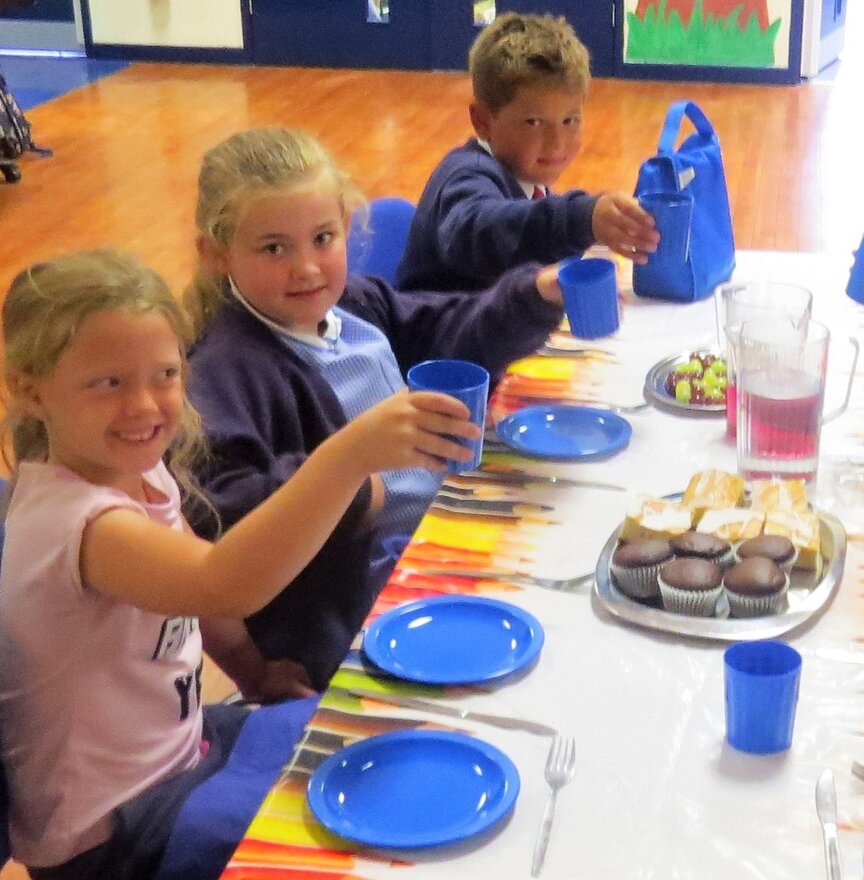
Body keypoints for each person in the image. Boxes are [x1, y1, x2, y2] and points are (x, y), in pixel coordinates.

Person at [0, 250, 482, 879]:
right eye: (108, 383)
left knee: (384, 736)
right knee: (364, 828)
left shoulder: (139, 475)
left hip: (183, 755)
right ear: (31, 390)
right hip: (109, 835)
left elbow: (193, 602)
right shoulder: (79, 524)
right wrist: (343, 459)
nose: (145, 405)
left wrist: (255, 671)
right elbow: (223, 583)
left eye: (166, 373)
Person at [184, 127, 568, 701]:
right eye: (273, 248)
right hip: (357, 610)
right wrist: (353, 483)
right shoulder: (225, 369)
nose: (307, 268)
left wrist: (535, 292)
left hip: (441, 537)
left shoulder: (354, 306)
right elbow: (219, 516)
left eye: (322, 238)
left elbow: (450, 328)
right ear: (217, 254)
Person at [396, 12, 658, 292]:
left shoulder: (528, 181)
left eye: (569, 121)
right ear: (482, 121)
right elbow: (483, 233)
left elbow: (531, 235)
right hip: (440, 332)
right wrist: (581, 219)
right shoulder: (464, 177)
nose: (557, 142)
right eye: (533, 123)